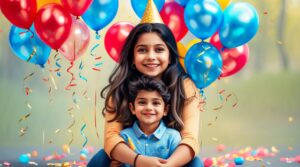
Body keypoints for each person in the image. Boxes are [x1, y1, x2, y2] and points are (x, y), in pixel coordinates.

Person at [88, 0, 203, 166]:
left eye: (159, 49)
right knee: (101, 158)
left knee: (196, 164)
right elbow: (111, 137)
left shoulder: (185, 87)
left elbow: (190, 139)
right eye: (142, 50)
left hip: (170, 159)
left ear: (170, 56)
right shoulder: (121, 87)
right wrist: (139, 161)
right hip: (129, 160)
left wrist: (168, 165)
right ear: (133, 57)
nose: (151, 56)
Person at [119, 76, 181, 167]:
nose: (149, 108)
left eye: (155, 103)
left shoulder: (173, 137)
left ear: (165, 110)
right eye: (142, 102)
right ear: (132, 108)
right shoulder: (124, 136)